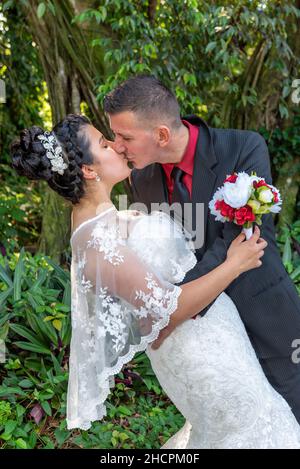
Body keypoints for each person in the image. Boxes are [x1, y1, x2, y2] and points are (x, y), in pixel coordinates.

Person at [10, 114, 300, 448]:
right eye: (105, 144)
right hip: (201, 354)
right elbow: (166, 310)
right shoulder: (95, 241)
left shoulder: (105, 220)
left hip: (218, 338)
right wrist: (234, 265)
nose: (118, 147)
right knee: (255, 429)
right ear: (89, 170)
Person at [103, 75, 300, 427]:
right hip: (208, 340)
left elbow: (247, 239)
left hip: (266, 315)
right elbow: (162, 252)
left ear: (161, 135)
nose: (118, 146)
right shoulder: (141, 179)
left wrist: (173, 305)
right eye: (115, 137)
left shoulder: (243, 148)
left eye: (125, 137)